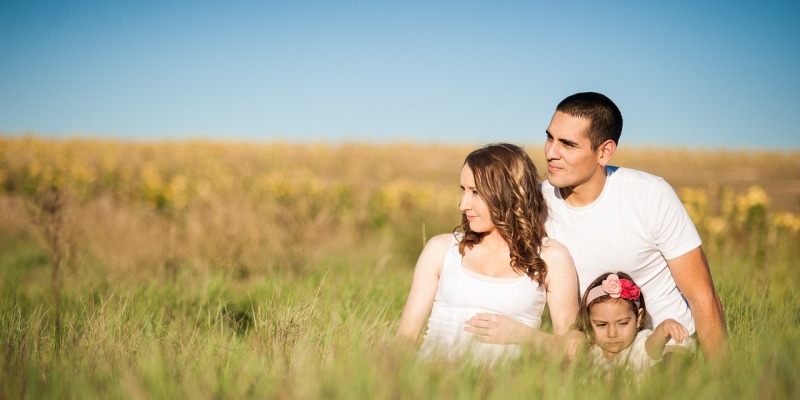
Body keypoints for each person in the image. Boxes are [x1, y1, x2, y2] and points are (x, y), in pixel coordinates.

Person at [467, 92, 728, 360]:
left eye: (568, 144)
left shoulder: (650, 195)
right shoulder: (535, 204)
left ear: (604, 152)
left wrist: (722, 381)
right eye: (550, 137)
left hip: (666, 348)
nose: (551, 152)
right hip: (593, 353)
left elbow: (702, 296)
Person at [395, 143, 579, 365]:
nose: (463, 204)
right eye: (464, 190)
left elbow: (575, 349)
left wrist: (522, 335)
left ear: (509, 193)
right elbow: (404, 340)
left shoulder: (552, 257)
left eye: (476, 192)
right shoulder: (441, 250)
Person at [574, 272, 689, 380]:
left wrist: (664, 328)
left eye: (622, 323)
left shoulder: (639, 346)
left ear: (638, 318)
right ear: (588, 321)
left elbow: (654, 344)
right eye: (602, 325)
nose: (612, 333)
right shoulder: (591, 349)